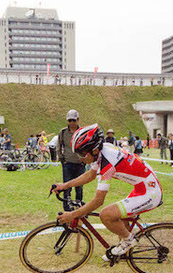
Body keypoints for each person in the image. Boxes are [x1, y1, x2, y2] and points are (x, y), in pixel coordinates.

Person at [53, 124, 162, 259]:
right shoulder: (101, 152)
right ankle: (125, 247)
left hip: (150, 192)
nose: (79, 158)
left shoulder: (107, 163)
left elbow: (98, 200)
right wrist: (64, 186)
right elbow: (90, 175)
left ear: (93, 150)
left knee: (106, 215)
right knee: (119, 216)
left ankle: (129, 241)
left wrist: (73, 215)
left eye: (81, 153)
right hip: (142, 187)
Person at [57, 109, 84, 211]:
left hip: (79, 163)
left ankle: (79, 207)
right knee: (66, 187)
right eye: (70, 120)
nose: (72, 123)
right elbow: (59, 145)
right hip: (67, 163)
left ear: (78, 120)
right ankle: (67, 208)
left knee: (79, 187)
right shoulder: (63, 132)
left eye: (74, 120)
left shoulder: (82, 132)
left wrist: (84, 160)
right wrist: (61, 159)